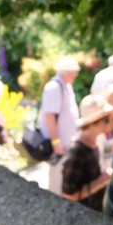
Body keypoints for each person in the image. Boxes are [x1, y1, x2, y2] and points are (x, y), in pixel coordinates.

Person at [61, 94, 113, 211]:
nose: (110, 122)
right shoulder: (76, 152)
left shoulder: (98, 139)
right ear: (94, 122)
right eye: (106, 119)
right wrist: (102, 181)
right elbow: (69, 195)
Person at [38, 57, 81, 195]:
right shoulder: (54, 87)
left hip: (66, 140)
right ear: (67, 72)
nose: (76, 75)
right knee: (56, 174)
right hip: (58, 142)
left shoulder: (66, 85)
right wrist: (56, 142)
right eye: (74, 72)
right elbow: (49, 117)